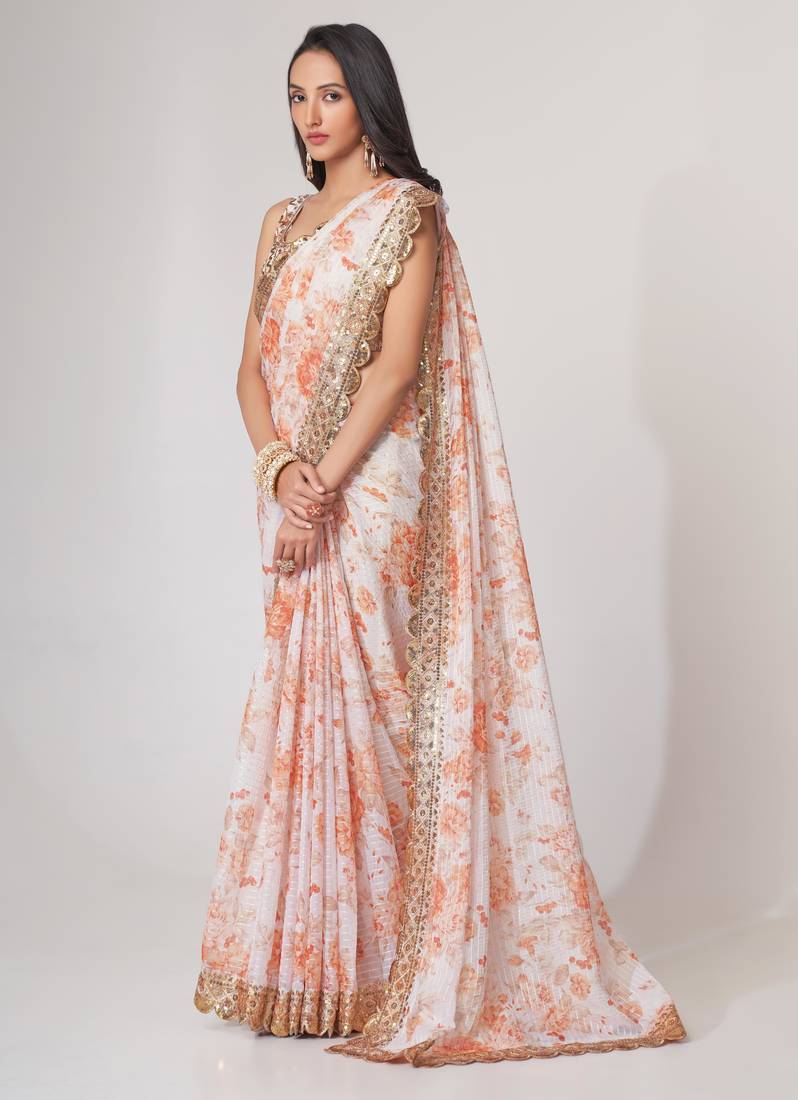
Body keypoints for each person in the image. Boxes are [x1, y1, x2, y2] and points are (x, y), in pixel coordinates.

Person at [192, 22, 687, 1069]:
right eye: (297, 96)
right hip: (294, 487)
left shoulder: (407, 215)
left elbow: (393, 368)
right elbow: (247, 370)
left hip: (370, 490)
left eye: (331, 94)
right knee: (303, 706)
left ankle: (397, 962)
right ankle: (314, 966)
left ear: (369, 98)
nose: (311, 115)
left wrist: (321, 485)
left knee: (377, 706)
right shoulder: (280, 224)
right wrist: (279, 469)